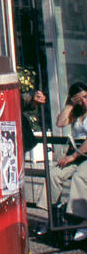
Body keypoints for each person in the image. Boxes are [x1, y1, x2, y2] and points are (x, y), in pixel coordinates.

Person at [49, 81, 87, 243]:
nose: (84, 102)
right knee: (53, 173)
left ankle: (81, 220)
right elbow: (60, 123)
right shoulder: (77, 114)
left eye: (86, 97)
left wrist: (73, 157)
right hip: (75, 154)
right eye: (80, 99)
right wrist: (70, 104)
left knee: (80, 177)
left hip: (81, 155)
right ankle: (52, 215)